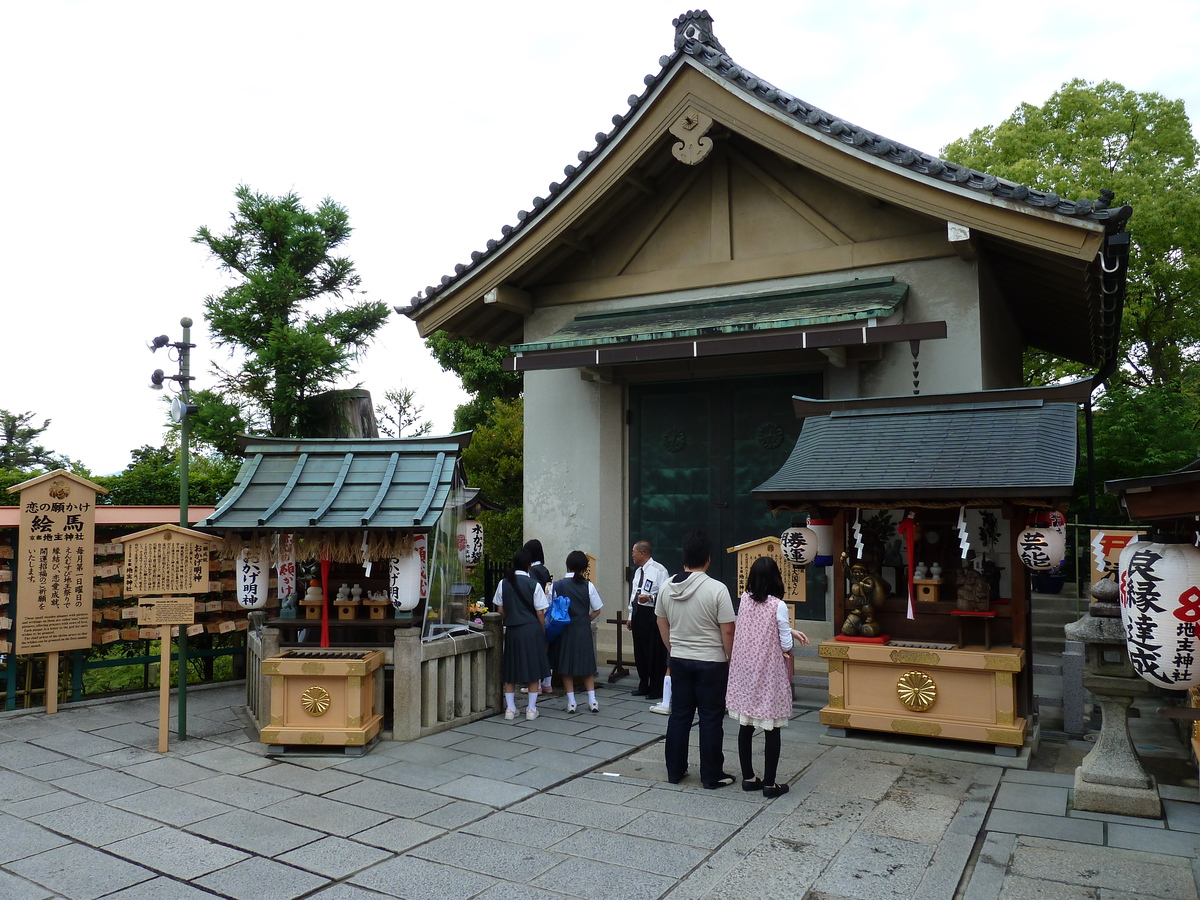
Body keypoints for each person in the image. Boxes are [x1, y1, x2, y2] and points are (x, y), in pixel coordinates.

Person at [656, 529, 737, 789]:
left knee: (679, 715)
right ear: (709, 558)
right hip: (711, 661)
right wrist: (729, 657)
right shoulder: (717, 589)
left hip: (679, 658)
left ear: (684, 556)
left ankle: (674, 771)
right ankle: (712, 775)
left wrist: (672, 647)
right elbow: (727, 629)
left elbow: (661, 620)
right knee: (711, 718)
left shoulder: (667, 587)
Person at [725, 556, 808, 798]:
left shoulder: (744, 600)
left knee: (746, 725)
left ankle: (749, 778)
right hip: (768, 671)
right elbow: (784, 642)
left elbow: (754, 626)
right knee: (772, 728)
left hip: (745, 670)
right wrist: (788, 635)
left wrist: (786, 630)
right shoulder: (778, 605)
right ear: (775, 578)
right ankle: (770, 784)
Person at [494, 548, 551, 721]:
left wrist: (511, 617)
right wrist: (542, 630)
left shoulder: (504, 583)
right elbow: (541, 612)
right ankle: (531, 709)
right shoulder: (534, 584)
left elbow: (500, 609)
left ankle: (510, 709)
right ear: (529, 565)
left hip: (512, 629)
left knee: (510, 669)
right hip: (532, 629)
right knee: (533, 669)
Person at [550, 550, 604, 713]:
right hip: (582, 629)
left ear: (567, 565)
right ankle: (592, 700)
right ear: (583, 568)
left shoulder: (557, 585)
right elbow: (598, 609)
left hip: (564, 629)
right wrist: (585, 619)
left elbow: (550, 607)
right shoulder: (588, 585)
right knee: (587, 665)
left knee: (566, 667)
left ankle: (571, 702)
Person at [627, 540, 669, 701]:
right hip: (639, 613)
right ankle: (643, 684)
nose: (632, 555)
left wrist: (650, 597)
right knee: (640, 651)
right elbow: (633, 595)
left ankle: (656, 688)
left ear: (642, 553)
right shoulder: (638, 572)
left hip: (653, 614)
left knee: (654, 652)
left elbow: (665, 595)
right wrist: (631, 616)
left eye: (633, 552)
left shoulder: (659, 570)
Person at [523, 539, 555, 695]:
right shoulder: (544, 570)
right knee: (546, 648)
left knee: (534, 650)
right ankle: (547, 682)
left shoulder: (531, 573)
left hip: (536, 614)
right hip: (548, 613)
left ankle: (536, 685)